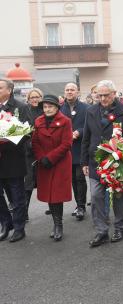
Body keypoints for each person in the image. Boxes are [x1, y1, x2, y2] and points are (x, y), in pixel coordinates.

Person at [81, 80, 123, 248]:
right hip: (94, 161)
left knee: (119, 196)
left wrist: (121, 141)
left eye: (106, 95)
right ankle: (101, 230)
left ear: (114, 94)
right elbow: (86, 137)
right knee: (96, 196)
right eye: (100, 95)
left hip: (117, 161)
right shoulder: (91, 111)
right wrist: (84, 161)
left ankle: (119, 227)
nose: (103, 98)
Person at [32, 95, 73, 241]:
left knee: (57, 195)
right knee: (49, 194)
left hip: (60, 162)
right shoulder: (38, 121)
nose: (47, 109)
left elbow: (67, 143)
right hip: (44, 163)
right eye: (45, 107)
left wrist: (50, 158)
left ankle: (58, 225)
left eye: (50, 106)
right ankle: (55, 224)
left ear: (56, 107)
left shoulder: (65, 121)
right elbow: (35, 142)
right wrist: (41, 158)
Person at [0, 78, 33, 243]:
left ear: (9, 90)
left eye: (0, 88)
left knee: (17, 195)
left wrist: (9, 137)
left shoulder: (20, 107)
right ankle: (6, 224)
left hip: (13, 158)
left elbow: (28, 131)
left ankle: (19, 228)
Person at [61, 83, 89, 221]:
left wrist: (79, 132)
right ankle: (78, 204)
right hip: (67, 149)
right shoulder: (60, 108)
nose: (70, 92)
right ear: (64, 92)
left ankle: (82, 206)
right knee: (72, 178)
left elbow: (89, 125)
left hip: (81, 147)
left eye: (72, 90)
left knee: (80, 177)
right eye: (67, 90)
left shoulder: (86, 108)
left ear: (77, 92)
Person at [24, 88, 44, 220]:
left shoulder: (45, 110)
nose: (35, 99)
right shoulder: (25, 111)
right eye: (32, 97)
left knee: (46, 180)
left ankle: (53, 209)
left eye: (37, 97)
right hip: (28, 151)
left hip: (44, 150)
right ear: (28, 99)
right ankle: (23, 212)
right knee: (28, 183)